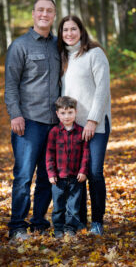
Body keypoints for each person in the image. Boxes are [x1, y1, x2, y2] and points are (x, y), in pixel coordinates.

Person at [4, 0, 60, 241]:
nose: (44, 14)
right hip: (29, 122)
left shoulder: (59, 45)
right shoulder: (20, 45)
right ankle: (17, 226)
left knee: (48, 177)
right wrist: (15, 114)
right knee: (24, 176)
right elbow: (10, 85)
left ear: (54, 15)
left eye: (49, 11)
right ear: (34, 13)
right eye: (40, 10)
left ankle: (39, 222)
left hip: (55, 123)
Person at [58, 15, 111, 236]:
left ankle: (97, 221)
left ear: (81, 30)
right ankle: (78, 220)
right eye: (65, 30)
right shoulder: (62, 57)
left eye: (73, 29)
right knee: (74, 174)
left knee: (94, 172)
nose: (69, 33)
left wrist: (92, 120)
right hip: (72, 127)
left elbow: (102, 89)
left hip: (95, 124)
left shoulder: (94, 54)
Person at [46, 96, 89, 238]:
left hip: (76, 177)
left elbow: (85, 154)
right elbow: (49, 154)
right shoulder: (54, 132)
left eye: (70, 112)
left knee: (73, 206)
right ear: (57, 114)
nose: (67, 116)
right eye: (63, 113)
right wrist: (51, 173)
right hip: (58, 178)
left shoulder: (81, 131)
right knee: (58, 206)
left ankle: (70, 228)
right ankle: (58, 228)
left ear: (75, 112)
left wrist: (83, 171)